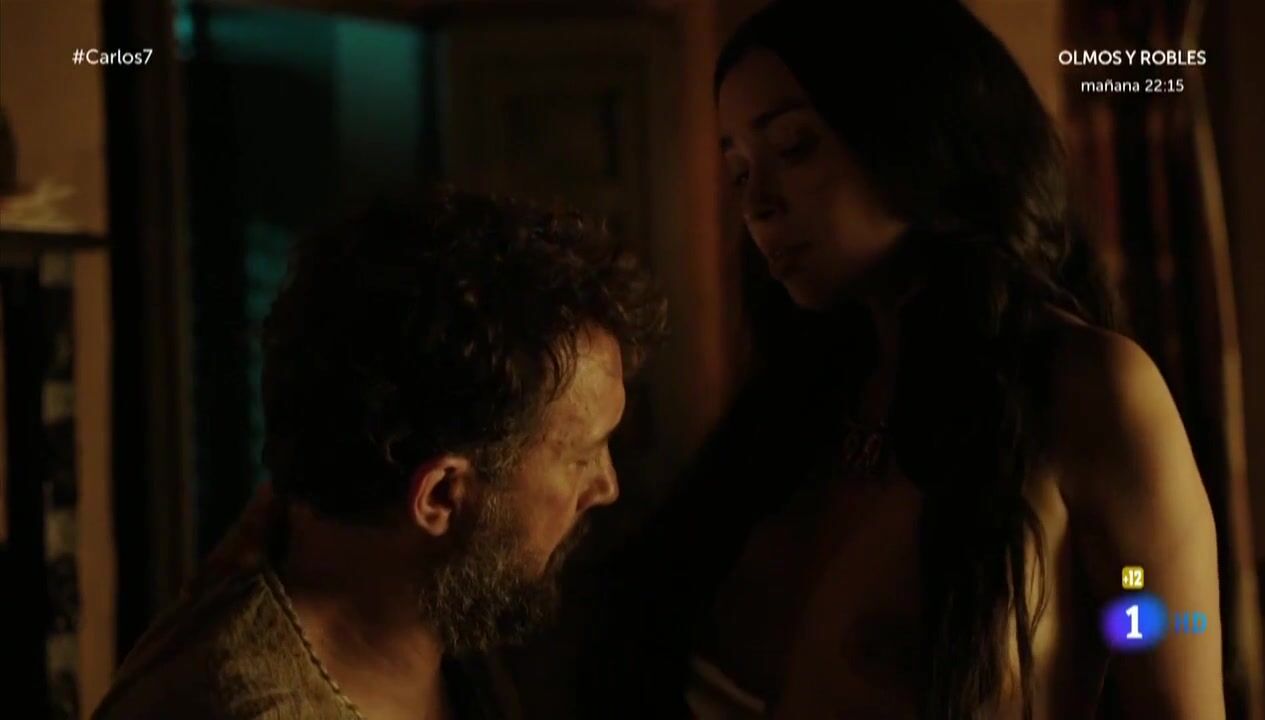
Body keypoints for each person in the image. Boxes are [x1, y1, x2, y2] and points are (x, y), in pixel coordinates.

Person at [580, 2, 1224, 719]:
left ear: (920, 135)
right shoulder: (792, 411)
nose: (758, 203)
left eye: (794, 147)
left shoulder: (1083, 387)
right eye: (738, 171)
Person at [92, 188, 666, 720]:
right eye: (582, 456)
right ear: (441, 496)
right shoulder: (236, 703)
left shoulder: (446, 610)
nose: (606, 485)